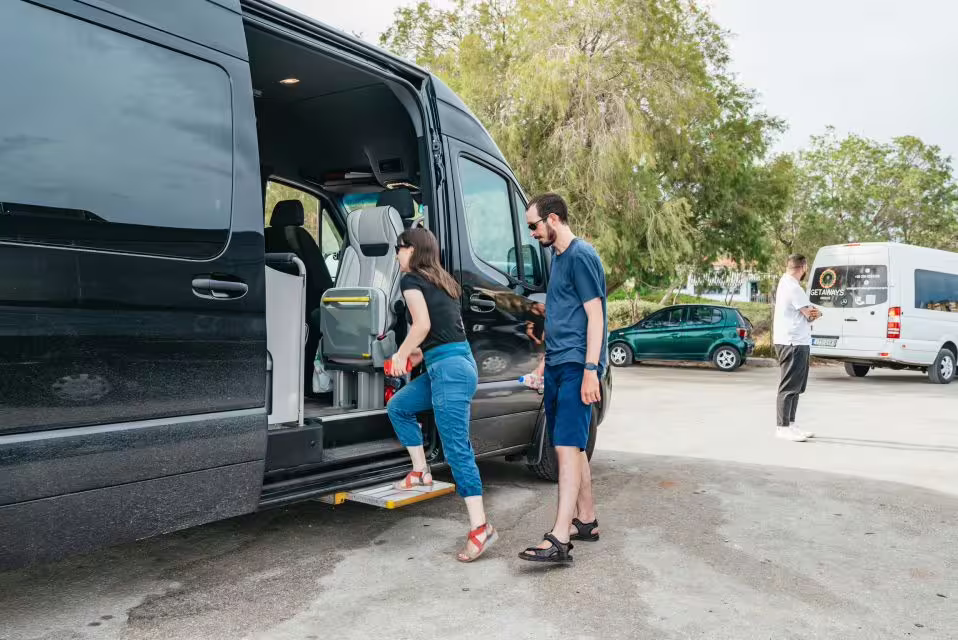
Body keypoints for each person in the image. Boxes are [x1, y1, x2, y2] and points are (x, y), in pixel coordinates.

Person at [386, 227, 497, 562]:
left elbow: (421, 325)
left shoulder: (410, 280)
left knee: (457, 450)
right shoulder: (442, 281)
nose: (396, 254)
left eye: (399, 247)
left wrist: (401, 354)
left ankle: (480, 527)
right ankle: (421, 470)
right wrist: (419, 354)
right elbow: (443, 331)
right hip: (452, 364)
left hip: (450, 372)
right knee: (399, 406)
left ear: (412, 250)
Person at [519, 193, 607, 564]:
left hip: (576, 366)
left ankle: (559, 537)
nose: (532, 234)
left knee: (566, 448)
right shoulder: (557, 257)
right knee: (570, 444)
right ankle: (585, 519)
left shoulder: (580, 255)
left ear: (553, 219)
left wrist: (590, 370)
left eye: (534, 226)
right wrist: (544, 363)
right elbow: (563, 316)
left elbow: (595, 316)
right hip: (559, 363)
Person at [773, 254, 822, 443]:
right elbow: (810, 314)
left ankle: (791, 424)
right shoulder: (794, 287)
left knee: (796, 387)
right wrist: (819, 312)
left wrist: (812, 311)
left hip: (794, 341)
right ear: (803, 267)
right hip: (793, 343)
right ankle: (782, 427)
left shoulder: (785, 282)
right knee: (789, 387)